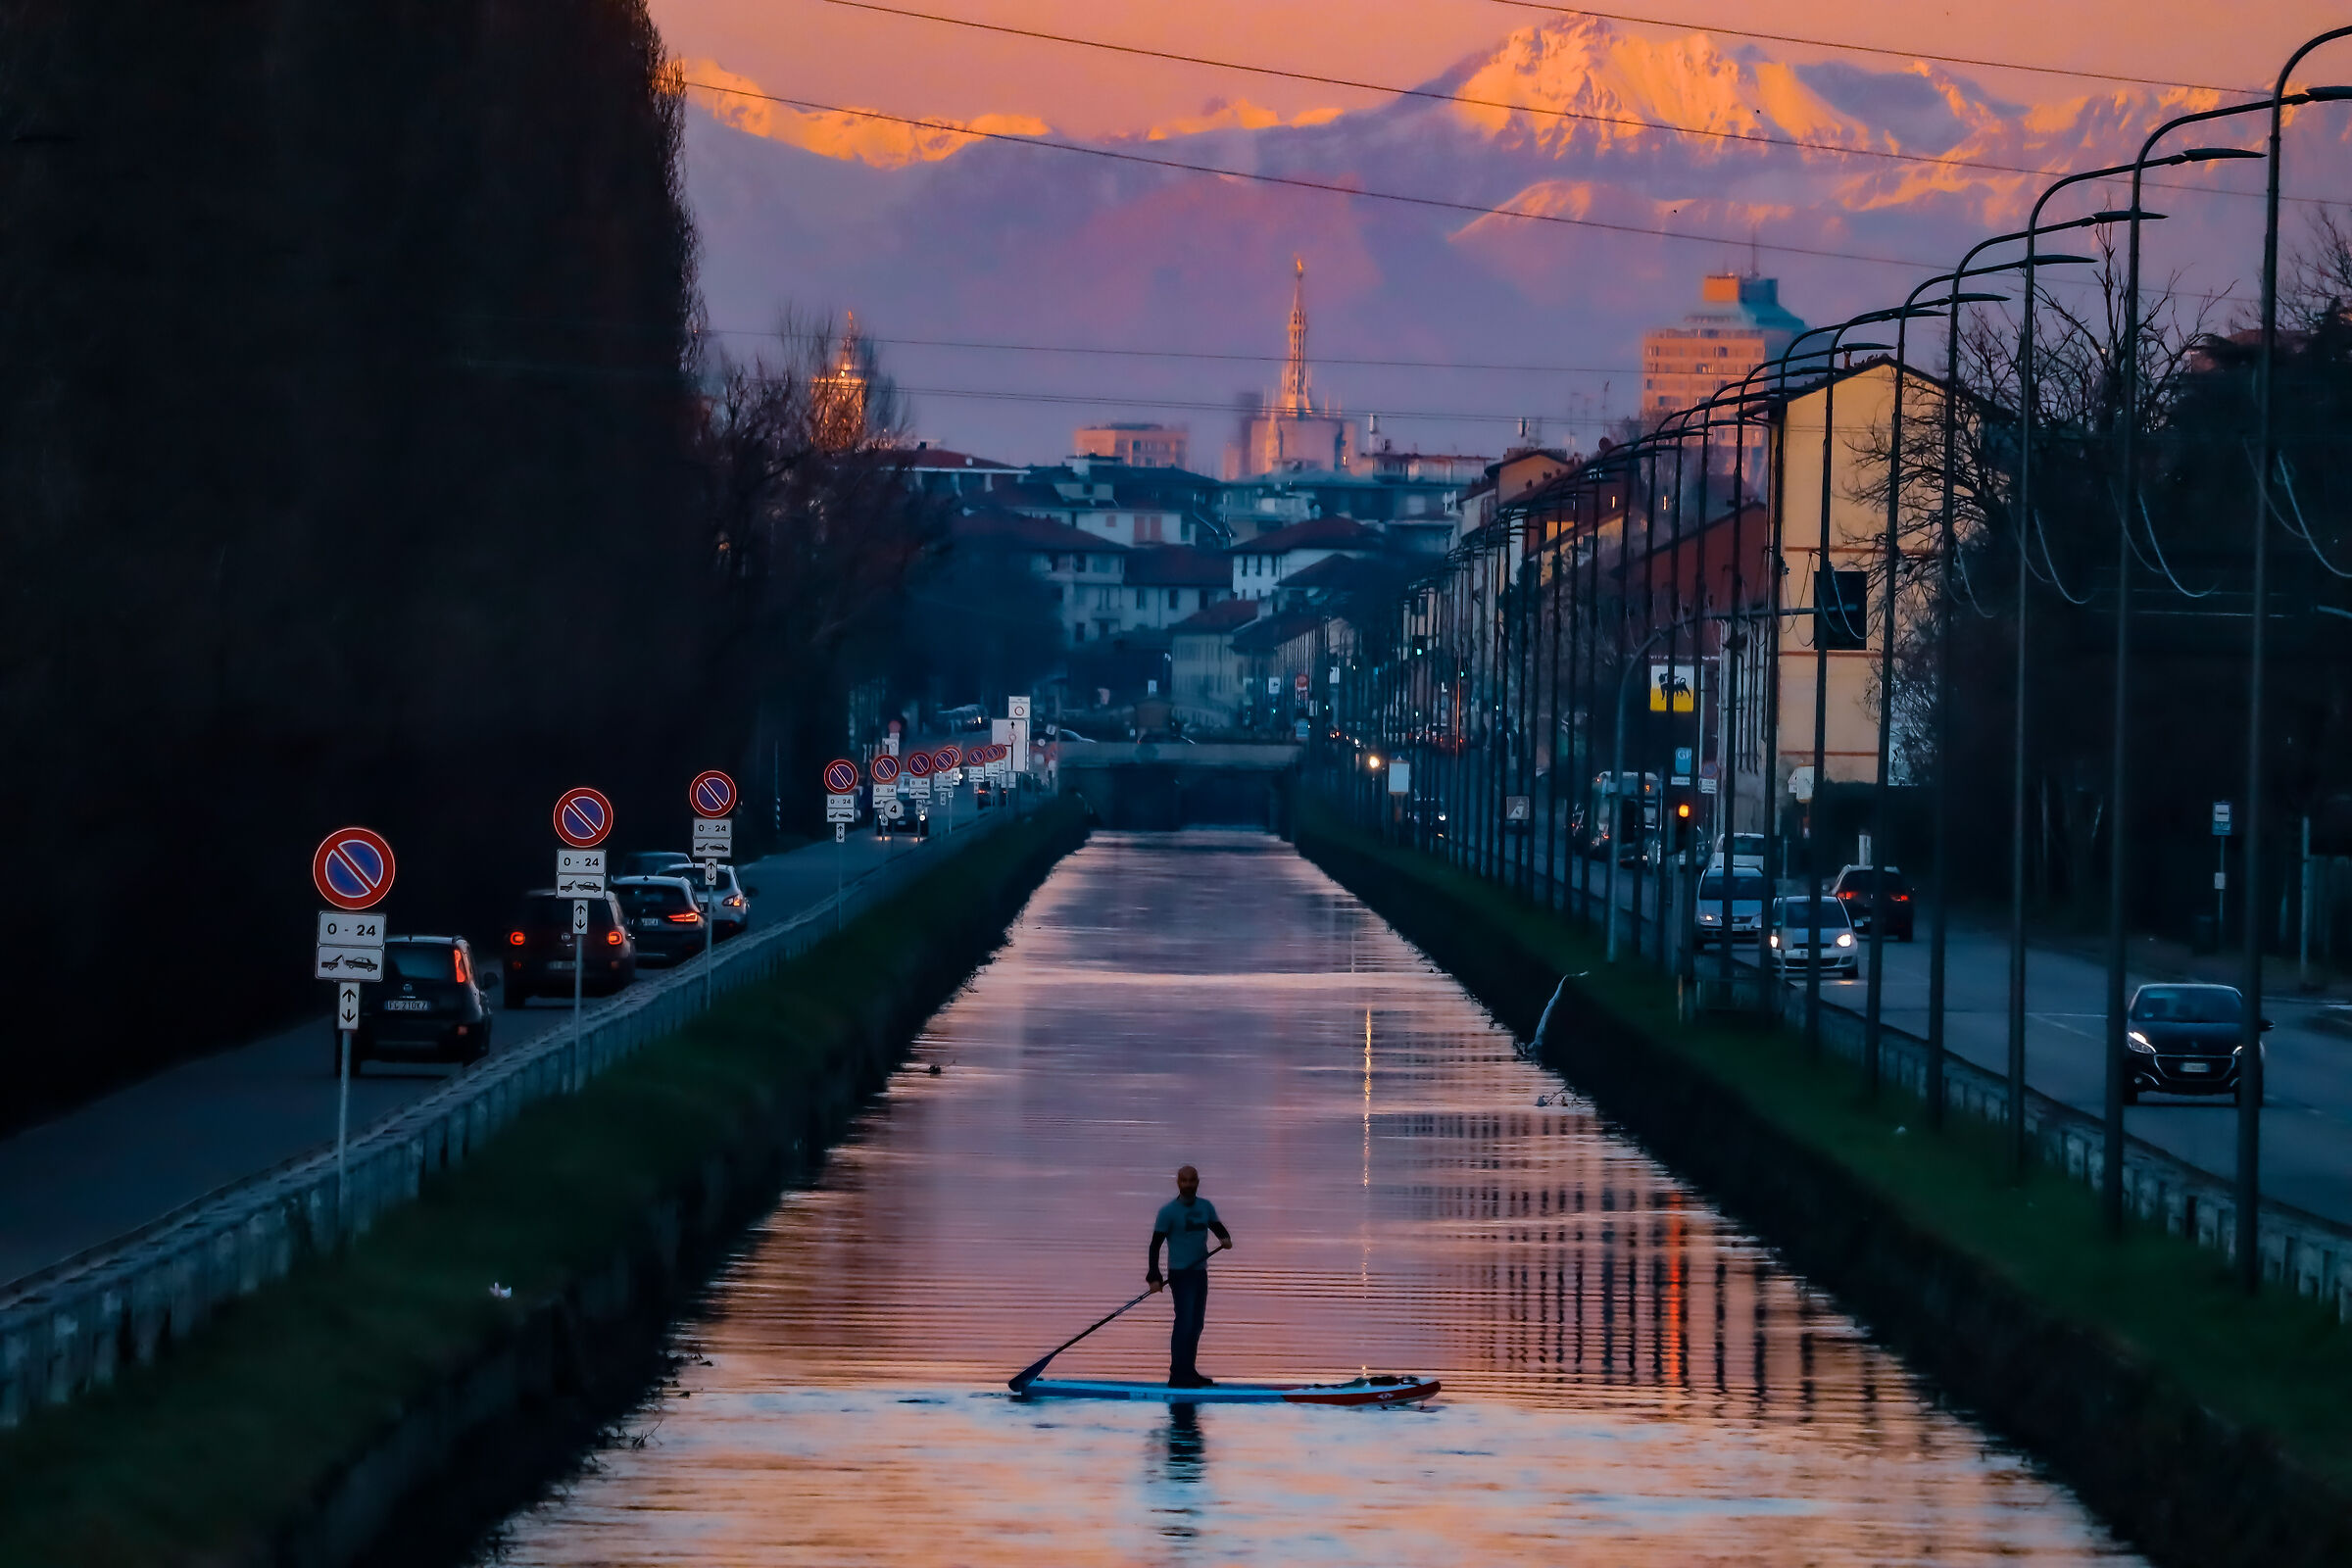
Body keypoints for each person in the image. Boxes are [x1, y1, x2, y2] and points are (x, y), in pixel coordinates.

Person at [1146, 1164, 1233, 1388]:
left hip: (1199, 1273)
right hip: (1180, 1274)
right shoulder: (1168, 1212)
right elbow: (1155, 1246)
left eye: (1192, 1180)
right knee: (1184, 1322)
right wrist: (1154, 1276)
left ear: (1197, 1182)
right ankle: (1177, 1375)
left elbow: (1218, 1228)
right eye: (1184, 1181)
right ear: (1178, 1183)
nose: (1188, 1185)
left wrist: (1225, 1238)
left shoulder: (1206, 1207)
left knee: (1196, 1324)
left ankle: (1189, 1372)